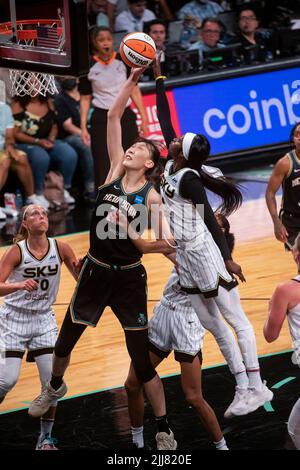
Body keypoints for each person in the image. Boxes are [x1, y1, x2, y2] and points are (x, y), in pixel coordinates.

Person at [27, 68, 178, 451]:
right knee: (64, 343)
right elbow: (112, 115)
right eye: (132, 145)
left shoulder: (151, 198)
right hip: (94, 270)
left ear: (148, 163)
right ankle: (55, 387)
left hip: (128, 277)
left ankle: (163, 427)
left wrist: (128, 228)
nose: (132, 148)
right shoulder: (112, 174)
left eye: (140, 148)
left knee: (141, 363)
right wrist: (132, 77)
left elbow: (160, 244)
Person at [153, 56, 273, 417]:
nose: (173, 138)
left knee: (235, 321)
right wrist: (158, 76)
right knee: (212, 325)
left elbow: (207, 218)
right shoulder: (177, 164)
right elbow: (164, 119)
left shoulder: (189, 178)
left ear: (182, 152)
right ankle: (244, 387)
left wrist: (227, 258)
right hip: (188, 257)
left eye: (179, 140)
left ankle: (255, 385)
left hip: (205, 253)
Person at [124, 213, 236, 450]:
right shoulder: (193, 243)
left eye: (215, 223)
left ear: (221, 233)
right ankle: (136, 441)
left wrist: (144, 216)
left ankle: (221, 446)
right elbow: (167, 241)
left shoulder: (210, 259)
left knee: (193, 397)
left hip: (187, 322)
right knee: (132, 383)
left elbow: (157, 247)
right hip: (165, 313)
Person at [0, 204, 80, 450]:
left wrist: (84, 272)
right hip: (13, 319)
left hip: (43, 319)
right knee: (6, 380)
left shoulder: (61, 248)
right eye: (34, 213)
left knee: (51, 385)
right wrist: (19, 285)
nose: (41, 216)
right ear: (25, 223)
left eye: (44, 213)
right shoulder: (16, 252)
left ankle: (45, 438)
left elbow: (81, 279)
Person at [79, 25, 148, 188]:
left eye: (108, 39)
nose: (105, 43)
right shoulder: (87, 66)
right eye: (101, 40)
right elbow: (85, 97)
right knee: (104, 161)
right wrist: (83, 126)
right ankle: (106, 200)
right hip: (102, 118)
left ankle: (135, 192)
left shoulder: (123, 61)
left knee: (133, 157)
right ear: (94, 43)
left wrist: (143, 117)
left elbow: (134, 90)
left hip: (126, 115)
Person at [264, 232, 300, 450]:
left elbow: (270, 335)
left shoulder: (285, 290)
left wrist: (272, 307)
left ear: (295, 255)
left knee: (292, 437)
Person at [11, 95, 77, 208]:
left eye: (37, 82)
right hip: (24, 143)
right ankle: (39, 193)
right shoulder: (17, 103)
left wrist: (51, 139)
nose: (34, 85)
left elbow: (55, 126)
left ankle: (63, 189)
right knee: (41, 157)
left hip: (46, 140)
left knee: (68, 154)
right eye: (30, 82)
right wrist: (37, 141)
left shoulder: (49, 101)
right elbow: (16, 133)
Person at [54, 78, 95, 201]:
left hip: (91, 131)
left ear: (78, 79)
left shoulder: (87, 94)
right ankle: (90, 188)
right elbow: (68, 126)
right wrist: (85, 134)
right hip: (69, 137)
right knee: (86, 145)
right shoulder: (60, 99)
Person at [0, 101, 41, 219]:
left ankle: (31, 198)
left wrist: (9, 146)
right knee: (5, 160)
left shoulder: (4, 108)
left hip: (2, 148)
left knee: (21, 157)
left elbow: (9, 136)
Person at [266, 123, 300, 250]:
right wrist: (276, 222)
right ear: (293, 139)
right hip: (292, 221)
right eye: (297, 134)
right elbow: (270, 193)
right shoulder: (285, 163)